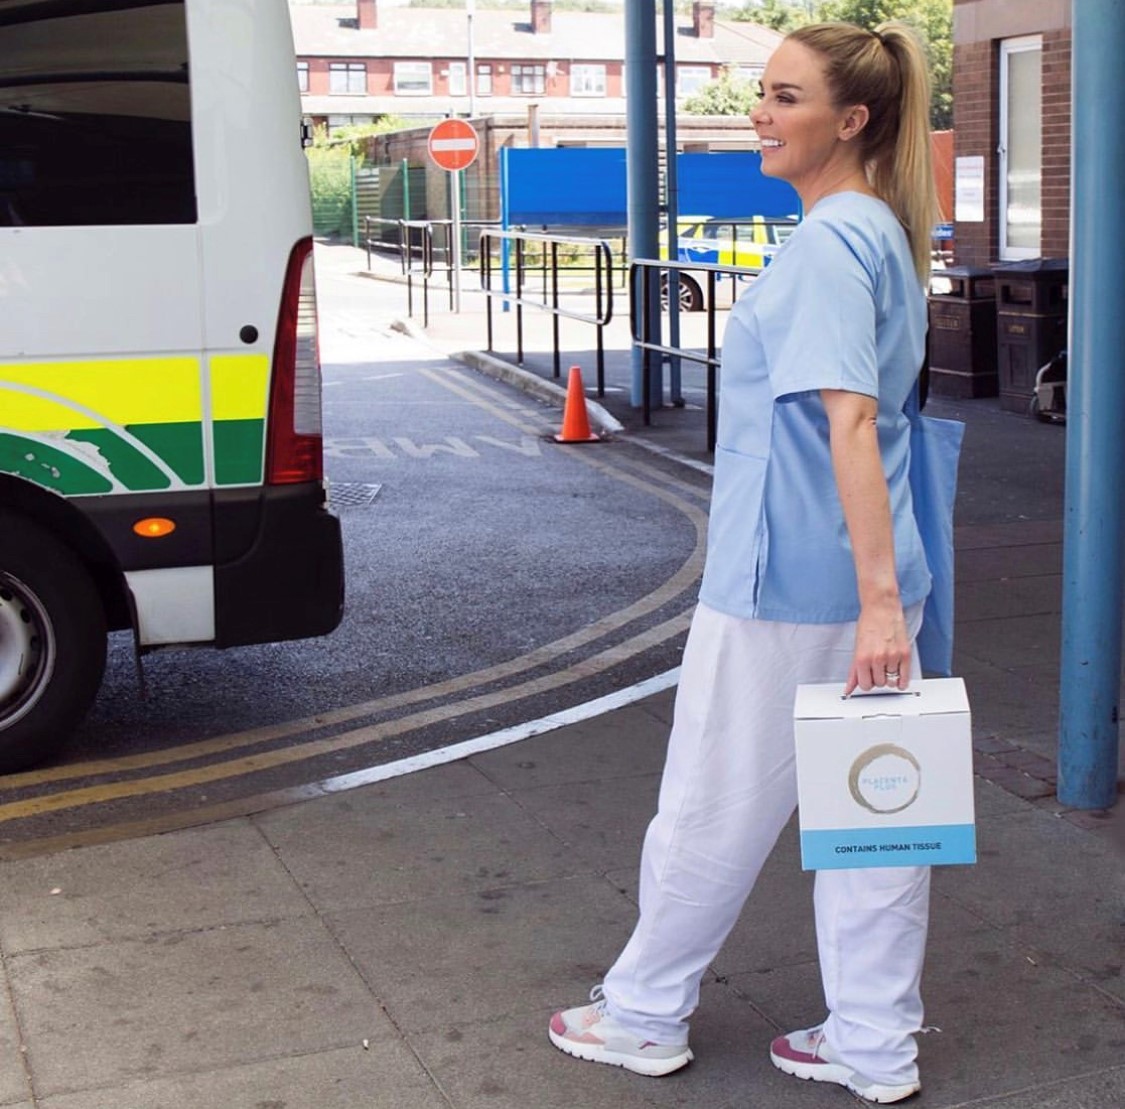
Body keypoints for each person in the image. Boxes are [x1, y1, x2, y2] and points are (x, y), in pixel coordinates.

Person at [549, 20, 940, 1106]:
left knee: (710, 805)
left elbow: (850, 424)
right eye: (762, 93)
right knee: (878, 813)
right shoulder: (881, 237)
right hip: (874, 580)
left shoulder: (826, 246)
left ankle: (640, 1014)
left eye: (784, 96)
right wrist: (885, 603)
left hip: (785, 584)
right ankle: (873, 1042)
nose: (759, 115)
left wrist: (871, 607)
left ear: (850, 119)